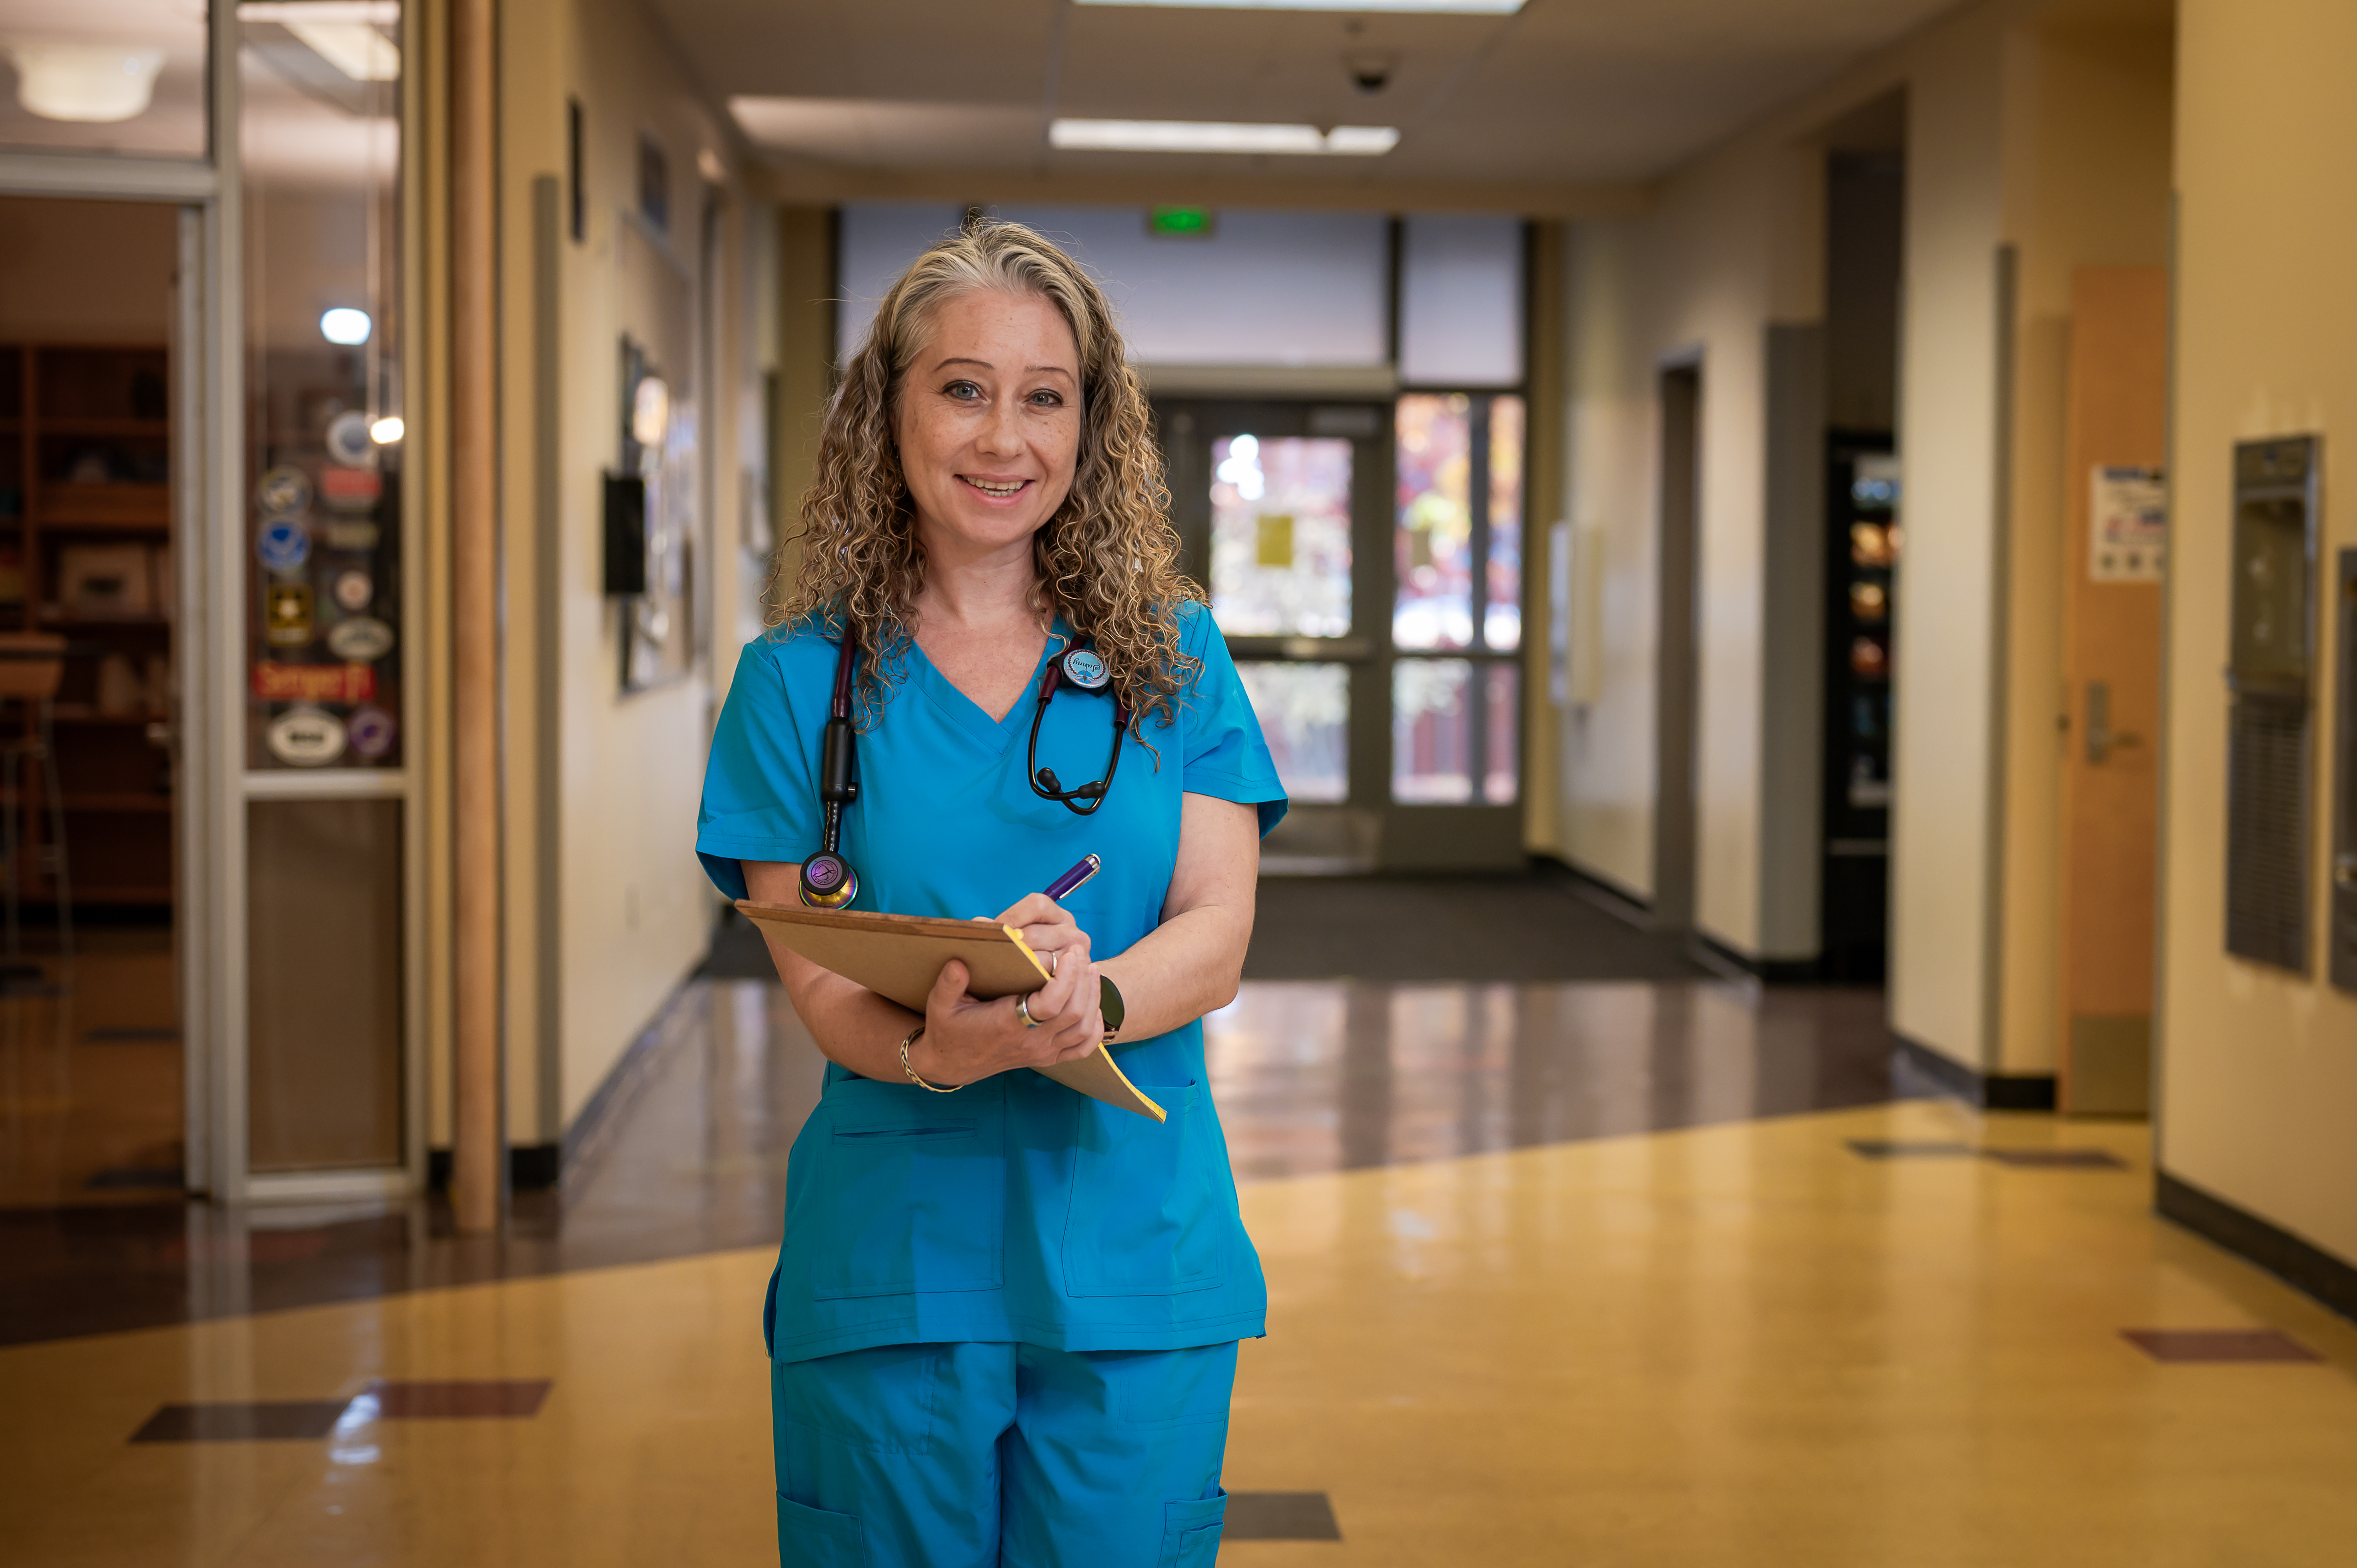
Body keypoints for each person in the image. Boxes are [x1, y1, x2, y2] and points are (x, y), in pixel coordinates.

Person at [694, 217, 1287, 1567]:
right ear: (887, 412)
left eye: (1044, 397)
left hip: (1136, 1252)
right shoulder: (796, 684)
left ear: (1090, 426)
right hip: (895, 1264)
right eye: (962, 389)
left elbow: (1220, 924)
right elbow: (824, 983)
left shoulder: (1176, 658)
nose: (1002, 439)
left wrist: (1099, 996)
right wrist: (931, 1047)